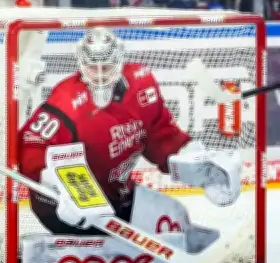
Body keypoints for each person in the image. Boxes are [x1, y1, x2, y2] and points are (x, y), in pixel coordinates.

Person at [18, 28, 241, 239]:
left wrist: (195, 160)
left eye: (105, 67)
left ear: (119, 61)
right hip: (69, 209)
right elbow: (31, 147)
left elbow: (160, 134)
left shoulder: (141, 85)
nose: (99, 76)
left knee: (176, 221)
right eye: (92, 67)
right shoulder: (66, 101)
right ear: (81, 64)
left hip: (119, 197)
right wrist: (59, 189)